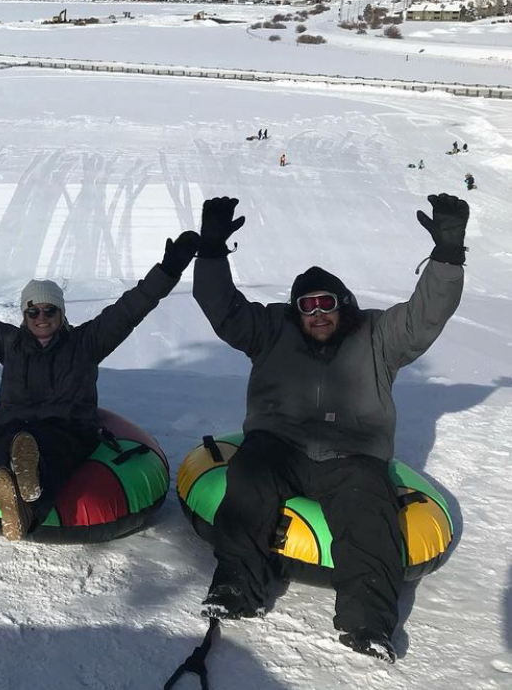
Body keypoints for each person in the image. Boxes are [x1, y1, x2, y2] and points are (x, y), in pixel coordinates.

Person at [191, 194, 467, 662]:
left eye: (326, 304)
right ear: (295, 310)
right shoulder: (270, 330)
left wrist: (447, 255)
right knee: (249, 479)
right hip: (278, 445)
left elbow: (426, 315)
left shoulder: (378, 335)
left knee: (368, 513)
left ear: (344, 305)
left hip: (352, 456)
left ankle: (368, 624)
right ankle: (237, 588)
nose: (317, 313)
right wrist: (212, 251)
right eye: (307, 305)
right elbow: (222, 307)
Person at [0, 230, 199, 541]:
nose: (42, 317)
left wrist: (169, 269)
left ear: (61, 312)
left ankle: (24, 486)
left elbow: (131, 308)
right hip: (15, 428)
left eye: (49, 310)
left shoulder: (87, 342)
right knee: (5, 447)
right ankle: (23, 491)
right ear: (25, 315)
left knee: (51, 450)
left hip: (67, 429)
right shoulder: (9, 343)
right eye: (33, 311)